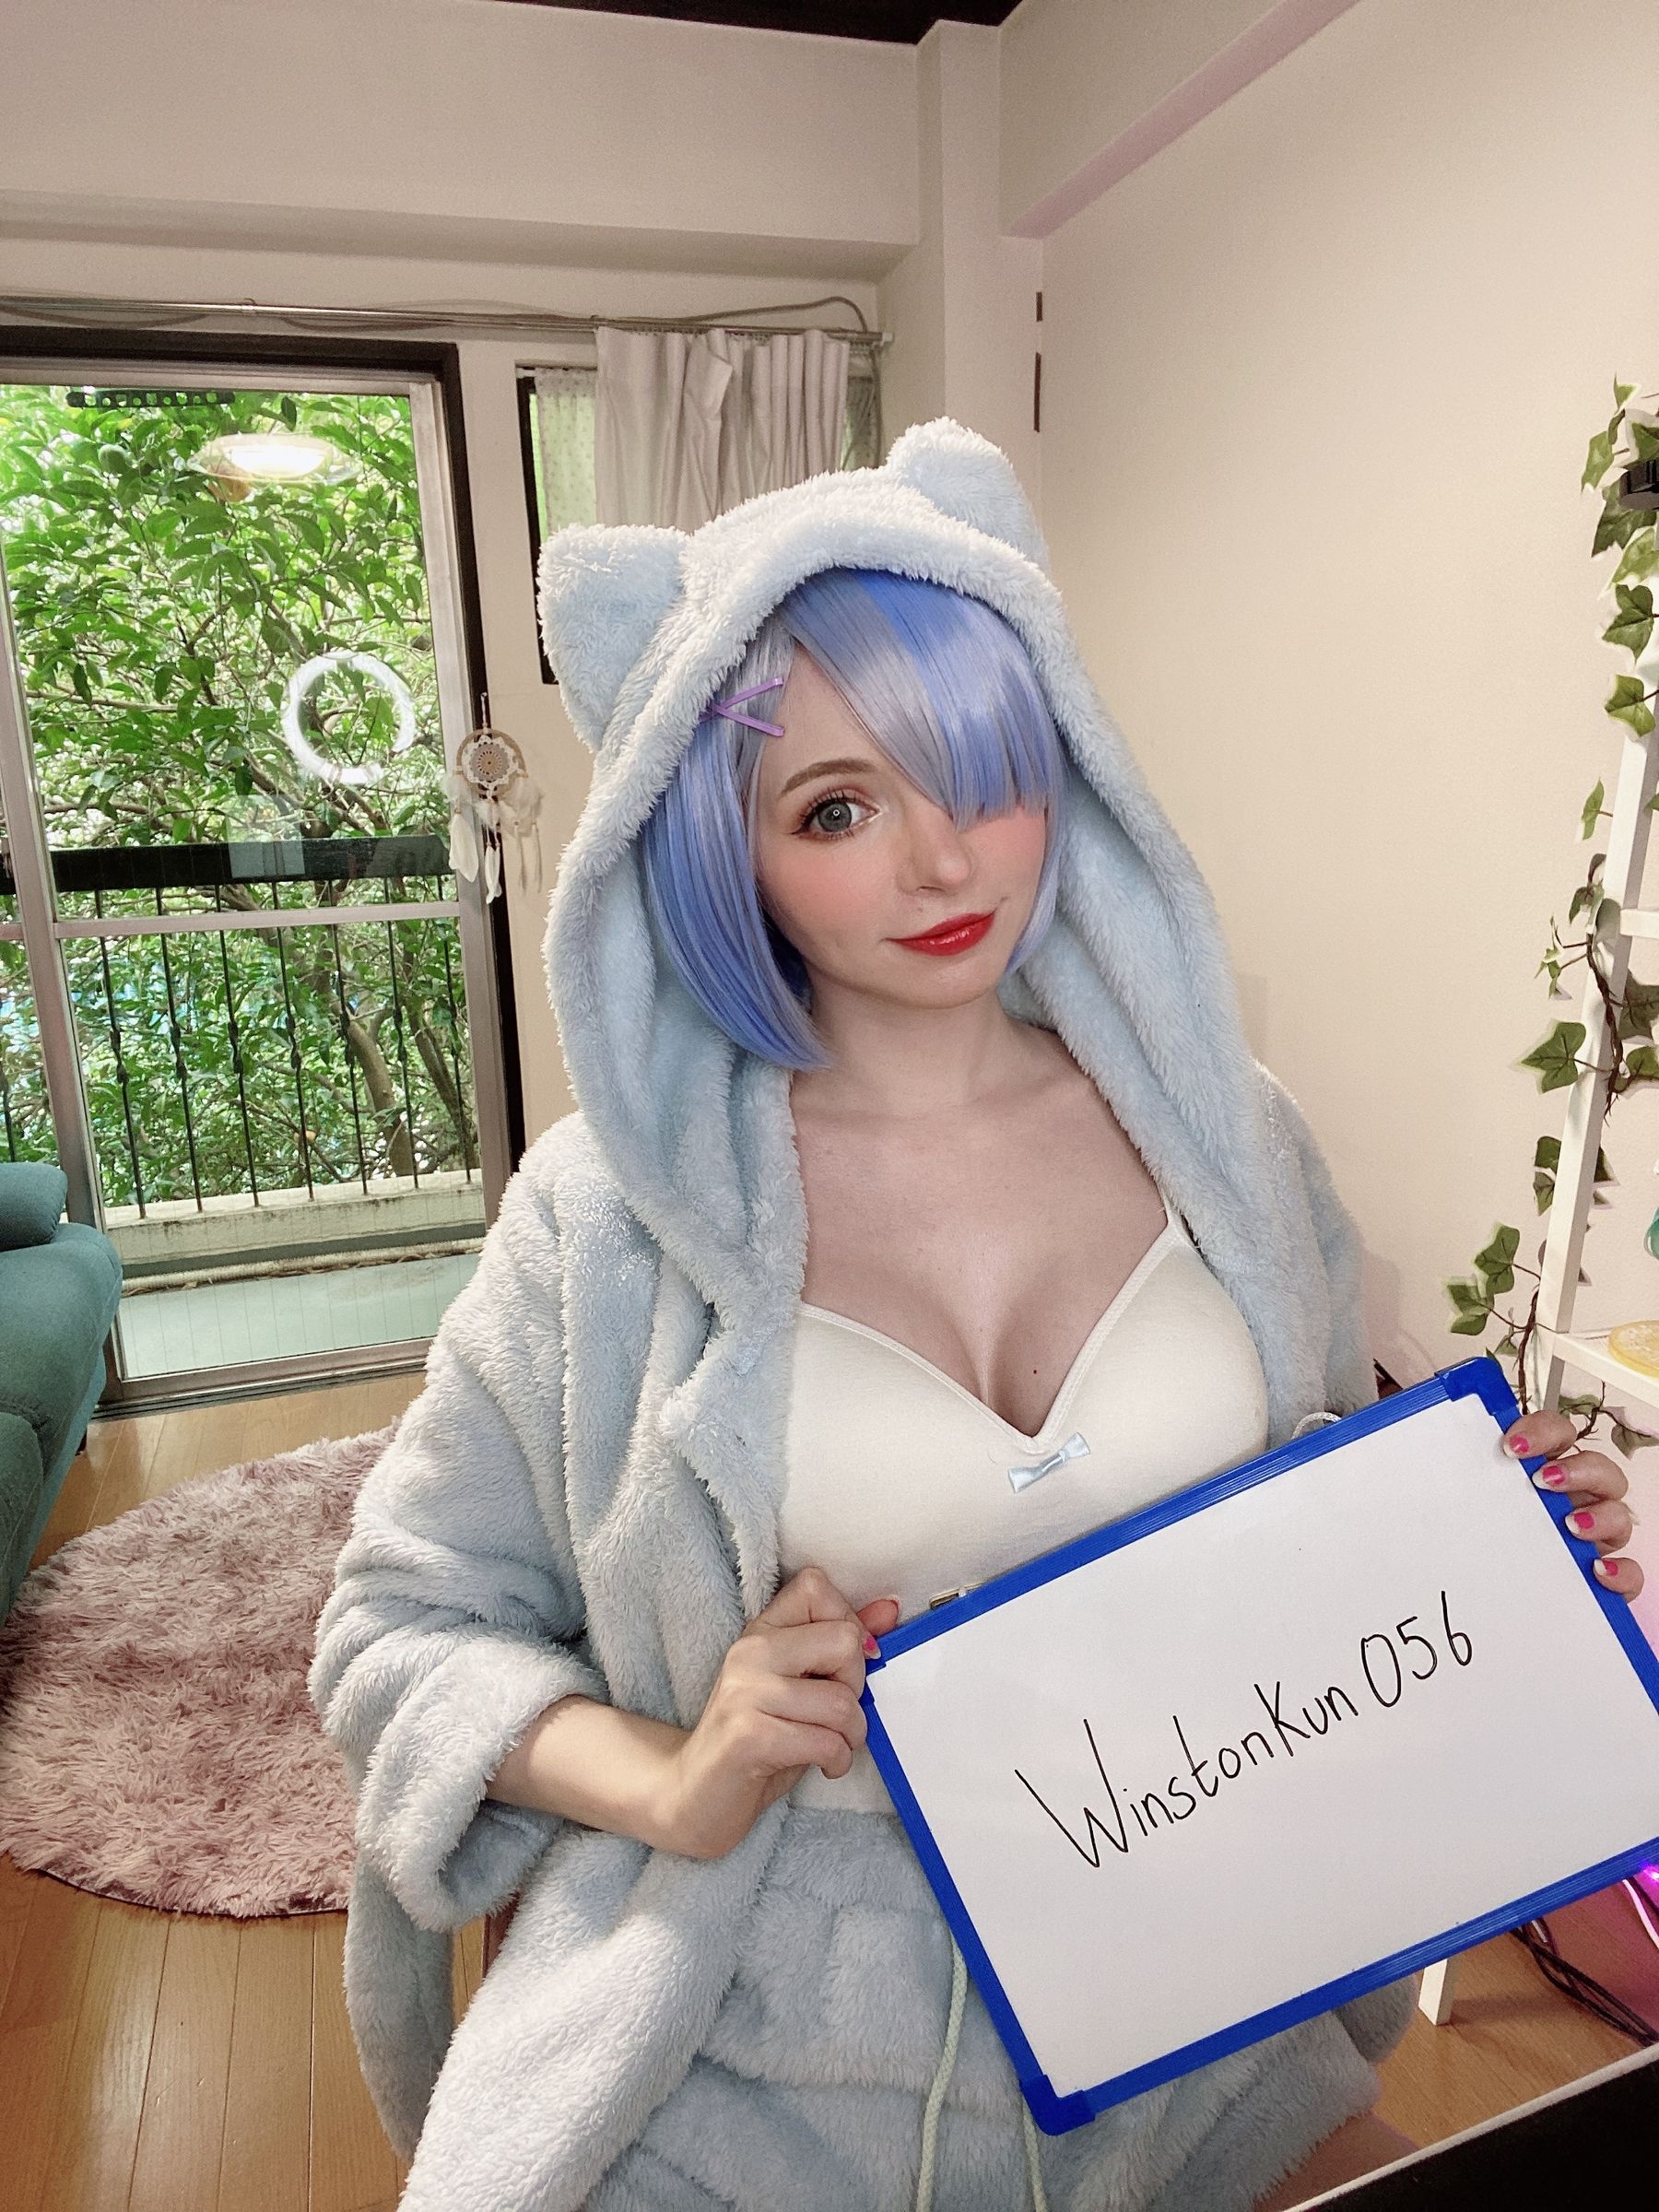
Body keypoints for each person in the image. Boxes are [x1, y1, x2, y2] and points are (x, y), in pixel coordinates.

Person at [309, 419, 1642, 2212]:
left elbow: (1310, 1492)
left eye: (982, 774)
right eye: (837, 809)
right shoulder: (604, 1224)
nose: (943, 863)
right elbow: (404, 1628)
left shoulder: (1229, 1141)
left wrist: (1483, 1534)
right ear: (722, 850)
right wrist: (682, 1776)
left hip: (1190, 2013)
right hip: (738, 2041)